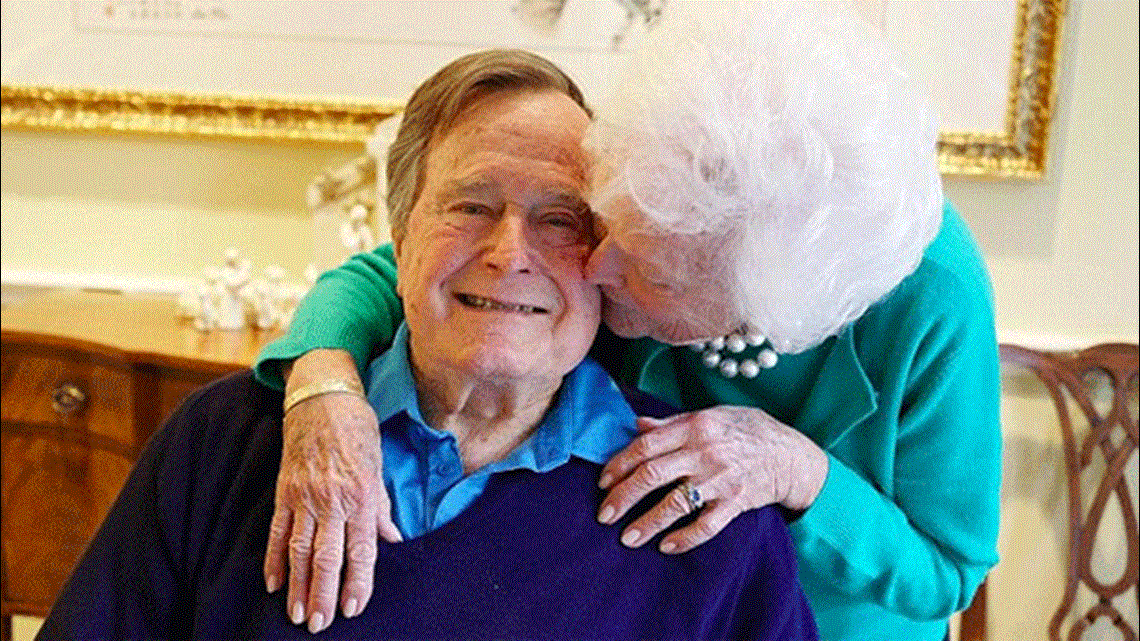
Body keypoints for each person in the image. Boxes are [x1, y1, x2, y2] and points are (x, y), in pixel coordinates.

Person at [256, 4, 1001, 640]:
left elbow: (949, 568)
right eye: (603, 222)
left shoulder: (927, 297)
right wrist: (323, 378)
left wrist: (798, 472)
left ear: (748, 306)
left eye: (651, 270)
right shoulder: (655, 186)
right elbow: (412, 266)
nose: (595, 266)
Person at [37, 48, 817, 641]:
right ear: (400, 237)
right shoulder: (225, 444)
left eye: (560, 219)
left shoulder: (707, 517)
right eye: (471, 205)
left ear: (609, 259)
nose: (510, 252)